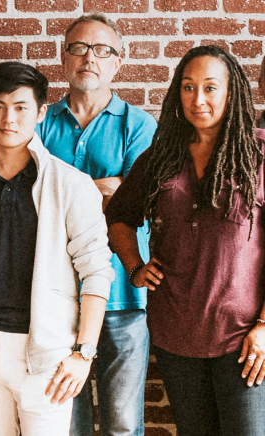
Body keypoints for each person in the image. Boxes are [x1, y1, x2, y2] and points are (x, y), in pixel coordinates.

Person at [0, 61, 114, 436]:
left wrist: (83, 353)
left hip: (44, 352)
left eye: (20, 107)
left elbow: (96, 272)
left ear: (41, 112)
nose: (8, 118)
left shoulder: (72, 185)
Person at [106, 45, 265, 436]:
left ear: (231, 91)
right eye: (188, 87)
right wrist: (135, 267)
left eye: (210, 87)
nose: (198, 99)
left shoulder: (259, 153)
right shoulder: (161, 155)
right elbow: (119, 216)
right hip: (175, 333)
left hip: (244, 337)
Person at [35, 14, 158, 436]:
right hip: (58, 298)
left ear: (118, 62)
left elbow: (137, 203)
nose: (90, 58)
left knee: (122, 424)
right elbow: (33, 199)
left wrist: (65, 188)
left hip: (123, 296)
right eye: (79, 48)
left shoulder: (140, 126)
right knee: (67, 423)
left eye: (102, 50)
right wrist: (105, 186)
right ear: (63, 57)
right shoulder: (40, 122)